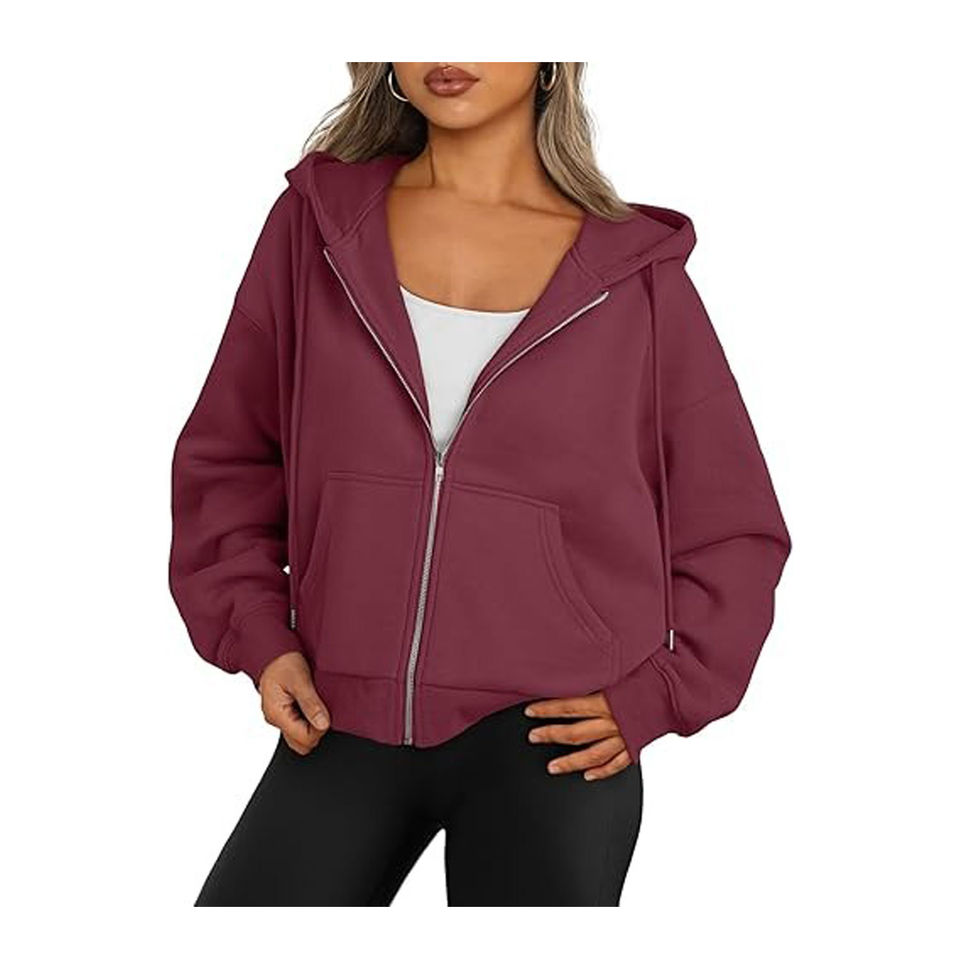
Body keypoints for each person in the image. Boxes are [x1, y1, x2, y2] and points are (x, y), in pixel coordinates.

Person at [169, 62, 791, 907]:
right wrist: (257, 632)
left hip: (552, 741)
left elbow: (733, 526)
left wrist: (662, 694)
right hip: (340, 713)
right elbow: (230, 456)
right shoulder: (319, 228)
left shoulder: (633, 277)